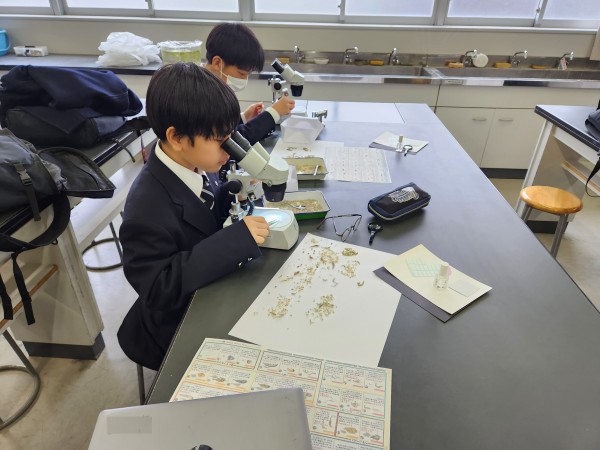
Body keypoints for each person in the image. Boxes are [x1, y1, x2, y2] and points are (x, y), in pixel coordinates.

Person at [117, 63, 270, 370]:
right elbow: (159, 289)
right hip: (175, 324)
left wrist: (231, 197)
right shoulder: (145, 211)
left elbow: (202, 213)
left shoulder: (195, 162)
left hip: (209, 288)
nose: (229, 148)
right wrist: (234, 241)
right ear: (176, 137)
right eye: (220, 139)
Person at [203, 22, 295, 144]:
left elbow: (225, 128)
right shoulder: (203, 95)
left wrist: (243, 118)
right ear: (217, 63)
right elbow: (232, 142)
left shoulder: (212, 86)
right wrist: (273, 113)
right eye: (241, 73)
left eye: (248, 74)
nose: (244, 79)